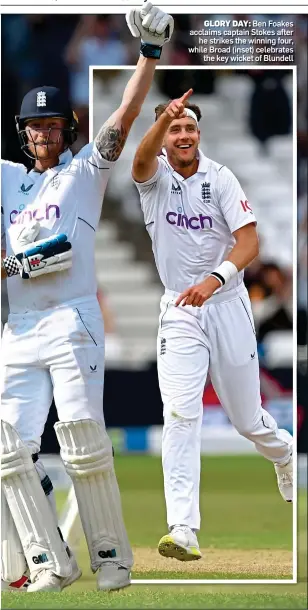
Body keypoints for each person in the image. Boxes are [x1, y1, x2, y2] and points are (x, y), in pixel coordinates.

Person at [1, 1, 174, 592]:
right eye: (35, 127)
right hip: (18, 327)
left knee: (79, 435)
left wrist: (148, 56)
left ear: (66, 131)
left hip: (71, 319)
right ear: (23, 134)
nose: (44, 134)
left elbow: (123, 117)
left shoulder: (83, 174)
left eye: (52, 126)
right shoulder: (8, 181)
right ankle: (49, 563)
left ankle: (110, 557)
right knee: (8, 451)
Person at [131, 89, 293, 562]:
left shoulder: (220, 178)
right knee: (181, 415)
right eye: (175, 128)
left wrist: (214, 278)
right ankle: (183, 528)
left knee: (247, 419)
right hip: (179, 310)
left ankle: (282, 454)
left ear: (199, 134)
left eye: (189, 128)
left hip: (226, 302)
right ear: (163, 137)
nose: (183, 134)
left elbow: (249, 242)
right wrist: (163, 118)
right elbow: (139, 159)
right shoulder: (151, 177)